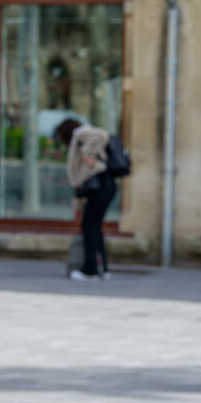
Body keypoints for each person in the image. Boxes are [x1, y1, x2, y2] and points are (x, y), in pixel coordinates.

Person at [55, 118, 116, 281]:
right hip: (103, 186)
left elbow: (102, 135)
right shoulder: (80, 136)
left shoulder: (80, 133)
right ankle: (102, 269)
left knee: (89, 227)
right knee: (94, 227)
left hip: (99, 186)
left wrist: (87, 154)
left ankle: (91, 270)